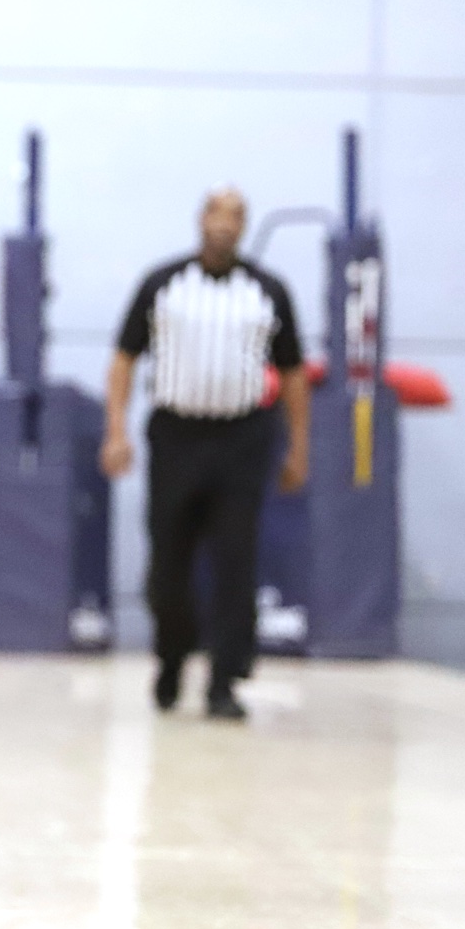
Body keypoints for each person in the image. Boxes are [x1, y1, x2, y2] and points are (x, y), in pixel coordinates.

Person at [102, 187, 309, 722]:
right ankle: (172, 657)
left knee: (236, 563)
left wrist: (298, 446)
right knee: (167, 566)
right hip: (176, 436)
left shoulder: (268, 292)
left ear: (244, 226)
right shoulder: (162, 284)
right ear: (201, 220)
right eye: (216, 213)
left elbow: (292, 373)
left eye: (236, 216)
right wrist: (116, 432)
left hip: (243, 439)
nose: (224, 224)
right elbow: (124, 359)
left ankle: (224, 680)